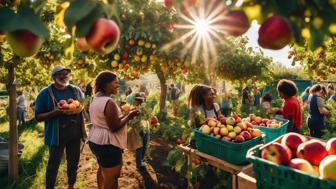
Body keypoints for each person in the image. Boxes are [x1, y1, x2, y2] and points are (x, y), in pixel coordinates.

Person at [35, 65, 86, 189]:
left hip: (74, 133)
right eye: (60, 74)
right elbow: (38, 116)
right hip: (56, 136)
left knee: (73, 162)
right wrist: (54, 112)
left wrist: (78, 107)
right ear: (53, 77)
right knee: (53, 164)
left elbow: (82, 105)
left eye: (66, 74)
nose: (64, 76)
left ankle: (71, 185)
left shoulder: (75, 90)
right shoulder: (45, 93)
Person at [88, 71, 139, 189]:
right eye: (115, 83)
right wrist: (129, 117)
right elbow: (114, 127)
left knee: (102, 169)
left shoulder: (95, 98)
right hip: (108, 144)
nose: (118, 85)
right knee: (112, 178)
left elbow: (105, 120)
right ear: (106, 84)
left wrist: (124, 114)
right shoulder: (108, 102)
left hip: (96, 140)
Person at [127, 92, 149, 171]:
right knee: (139, 147)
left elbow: (147, 117)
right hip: (138, 130)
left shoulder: (143, 108)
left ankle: (141, 161)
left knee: (144, 146)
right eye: (136, 100)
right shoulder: (132, 109)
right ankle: (139, 164)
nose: (138, 101)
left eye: (140, 100)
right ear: (134, 100)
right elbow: (130, 121)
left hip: (144, 128)